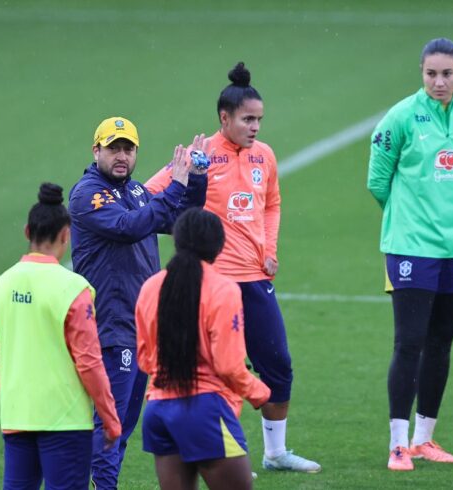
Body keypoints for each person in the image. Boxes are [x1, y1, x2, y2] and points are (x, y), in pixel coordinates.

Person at [146, 62, 322, 473]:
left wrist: (269, 248)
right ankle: (215, 449)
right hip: (210, 283)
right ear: (224, 119)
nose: (255, 127)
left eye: (259, 119)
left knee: (277, 362)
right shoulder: (200, 155)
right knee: (213, 368)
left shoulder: (265, 156)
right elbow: (154, 191)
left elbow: (273, 203)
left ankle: (276, 453)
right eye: (247, 119)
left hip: (256, 279)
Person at [366, 38, 453, 471]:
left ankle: (425, 439)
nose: (439, 81)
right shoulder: (400, 117)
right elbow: (378, 180)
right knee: (410, 342)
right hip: (411, 246)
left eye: (447, 74)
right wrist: (407, 218)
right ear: (421, 72)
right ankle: (398, 444)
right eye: (431, 73)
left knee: (441, 344)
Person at [69, 117, 208, 488]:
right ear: (95, 151)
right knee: (110, 421)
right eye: (113, 148)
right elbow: (131, 227)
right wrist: (175, 185)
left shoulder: (136, 193)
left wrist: (195, 178)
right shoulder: (88, 194)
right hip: (110, 325)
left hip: (140, 327)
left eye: (128, 149)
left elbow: (182, 220)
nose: (121, 156)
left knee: (123, 423)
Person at [0, 183, 121, 489]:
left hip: (17, 416)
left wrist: (14, 401)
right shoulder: (74, 289)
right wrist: (109, 418)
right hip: (65, 420)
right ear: (66, 234)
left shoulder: (0, 287)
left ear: (26, 232)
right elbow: (89, 362)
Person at [136, 208, 270, 490]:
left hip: (159, 410)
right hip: (205, 411)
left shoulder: (150, 287)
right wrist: (259, 392)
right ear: (219, 245)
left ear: (178, 241)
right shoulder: (223, 289)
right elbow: (228, 366)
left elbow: (145, 359)